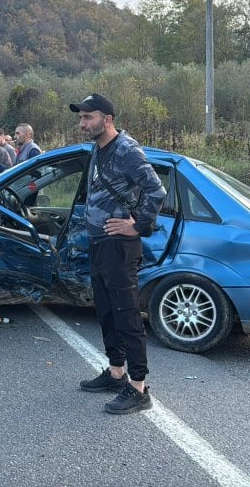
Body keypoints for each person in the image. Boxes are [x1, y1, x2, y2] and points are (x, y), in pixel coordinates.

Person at [70, 93, 166, 415]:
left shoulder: (126, 151)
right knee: (107, 312)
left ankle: (139, 387)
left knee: (125, 315)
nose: (82, 123)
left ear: (107, 119)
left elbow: (156, 190)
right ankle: (115, 373)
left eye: (88, 117)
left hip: (120, 247)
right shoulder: (99, 149)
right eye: (81, 117)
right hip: (99, 243)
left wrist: (137, 226)